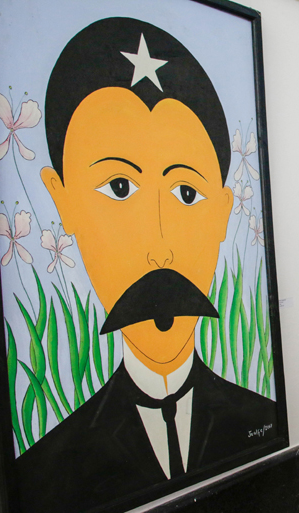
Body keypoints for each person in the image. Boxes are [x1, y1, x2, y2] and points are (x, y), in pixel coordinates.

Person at [15, 18, 277, 513]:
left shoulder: (260, 418)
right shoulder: (46, 471)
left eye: (187, 193)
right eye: (119, 188)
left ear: (223, 214)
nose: (160, 251)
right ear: (62, 200)